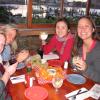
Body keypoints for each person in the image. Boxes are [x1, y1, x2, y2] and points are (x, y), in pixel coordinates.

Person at [0, 30, 29, 100]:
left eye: (2, 44)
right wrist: (7, 73)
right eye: (10, 35)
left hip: (7, 91)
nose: (0, 47)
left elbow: (4, 66)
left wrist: (17, 59)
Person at [71, 16, 100, 83]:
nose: (82, 29)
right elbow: (72, 62)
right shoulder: (78, 45)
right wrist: (73, 62)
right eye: (80, 26)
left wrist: (86, 68)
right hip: (81, 83)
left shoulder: (98, 49)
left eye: (86, 26)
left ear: (93, 29)